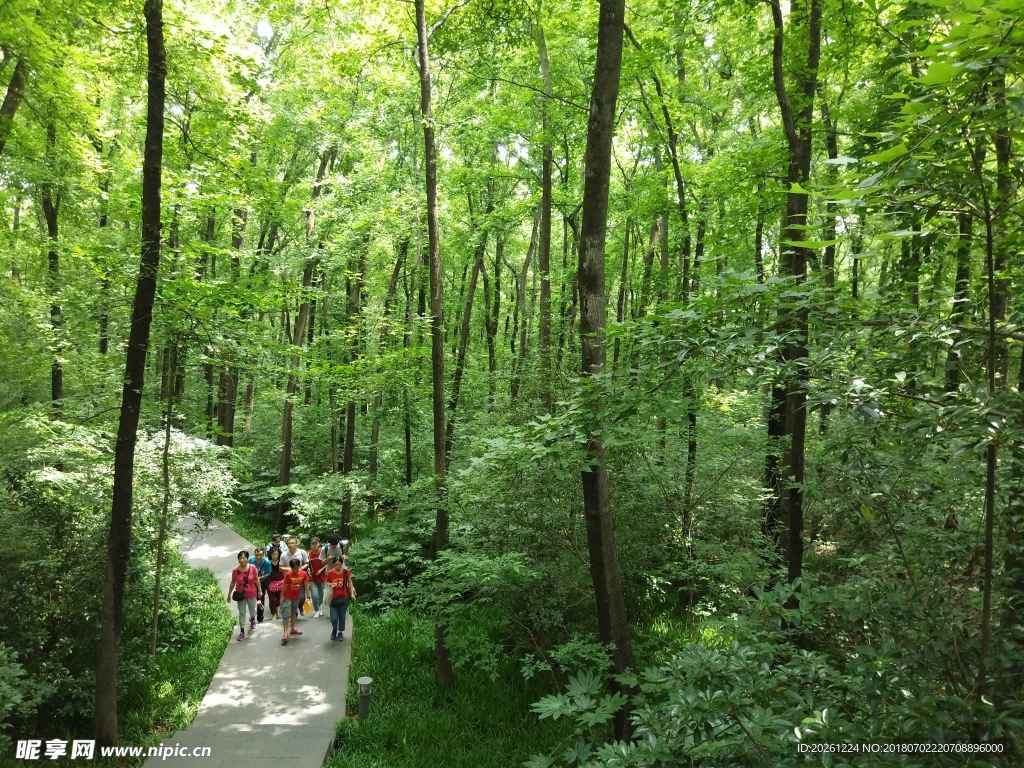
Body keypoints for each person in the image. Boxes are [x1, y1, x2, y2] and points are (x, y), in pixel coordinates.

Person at [227, 550, 262, 640]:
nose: (242, 560)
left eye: (244, 558)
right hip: (240, 595)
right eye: (240, 558)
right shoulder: (235, 570)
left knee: (252, 609)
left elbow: (256, 579)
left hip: (251, 593)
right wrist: (229, 594)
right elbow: (232, 582)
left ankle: (253, 619)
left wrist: (260, 590)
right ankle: (242, 631)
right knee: (242, 612)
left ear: (247, 558)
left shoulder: (253, 567)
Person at [280, 557, 309, 644]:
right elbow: (284, 586)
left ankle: (293, 628)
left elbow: (307, 584)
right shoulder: (288, 574)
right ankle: (285, 633)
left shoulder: (303, 574)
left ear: (299, 566)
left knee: (293, 612)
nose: (294, 570)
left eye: (296, 568)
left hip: (296, 597)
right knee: (286, 614)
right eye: (293, 569)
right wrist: (281, 597)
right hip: (287, 597)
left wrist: (308, 597)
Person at [326, 556, 356, 641]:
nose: (337, 567)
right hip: (333, 598)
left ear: (342, 564)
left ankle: (340, 632)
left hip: (344, 597)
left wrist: (352, 593)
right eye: (335, 565)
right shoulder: (330, 572)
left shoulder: (346, 572)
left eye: (339, 565)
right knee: (334, 618)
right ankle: (334, 629)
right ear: (333, 565)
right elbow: (327, 582)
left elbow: (350, 582)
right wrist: (330, 584)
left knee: (342, 617)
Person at [282, 536, 310, 613]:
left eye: (293, 543)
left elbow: (307, 563)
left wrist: (299, 569)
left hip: (300, 578)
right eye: (289, 543)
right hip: (290, 580)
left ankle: (300, 606)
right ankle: (294, 614)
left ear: (296, 543)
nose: (291, 545)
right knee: (292, 599)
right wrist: (290, 569)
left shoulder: (302, 552)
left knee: (301, 598)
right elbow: (280, 567)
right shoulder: (284, 554)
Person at [249, 548, 273, 623]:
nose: (258, 557)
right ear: (254, 554)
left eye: (260, 555)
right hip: (252, 582)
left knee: (260, 598)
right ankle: (252, 616)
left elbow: (268, 573)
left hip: (262, 581)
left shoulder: (267, 562)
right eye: (257, 555)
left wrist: (260, 577)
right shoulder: (250, 560)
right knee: (252, 599)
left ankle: (260, 617)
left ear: (263, 555)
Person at [308, 537, 328, 618]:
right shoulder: (309, 554)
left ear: (319, 543)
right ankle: (316, 610)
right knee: (314, 595)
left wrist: (321, 569)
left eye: (316, 543)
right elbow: (307, 566)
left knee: (321, 595)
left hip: (323, 577)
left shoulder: (323, 552)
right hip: (313, 578)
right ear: (311, 545)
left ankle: (320, 607)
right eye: (313, 544)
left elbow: (328, 563)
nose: (314, 545)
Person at [265, 548, 285, 620]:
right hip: (270, 583)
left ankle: (277, 610)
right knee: (272, 599)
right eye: (273, 554)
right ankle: (273, 614)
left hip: (280, 583)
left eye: (276, 554)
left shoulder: (281, 562)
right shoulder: (267, 562)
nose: (274, 556)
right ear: (270, 554)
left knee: (278, 598)